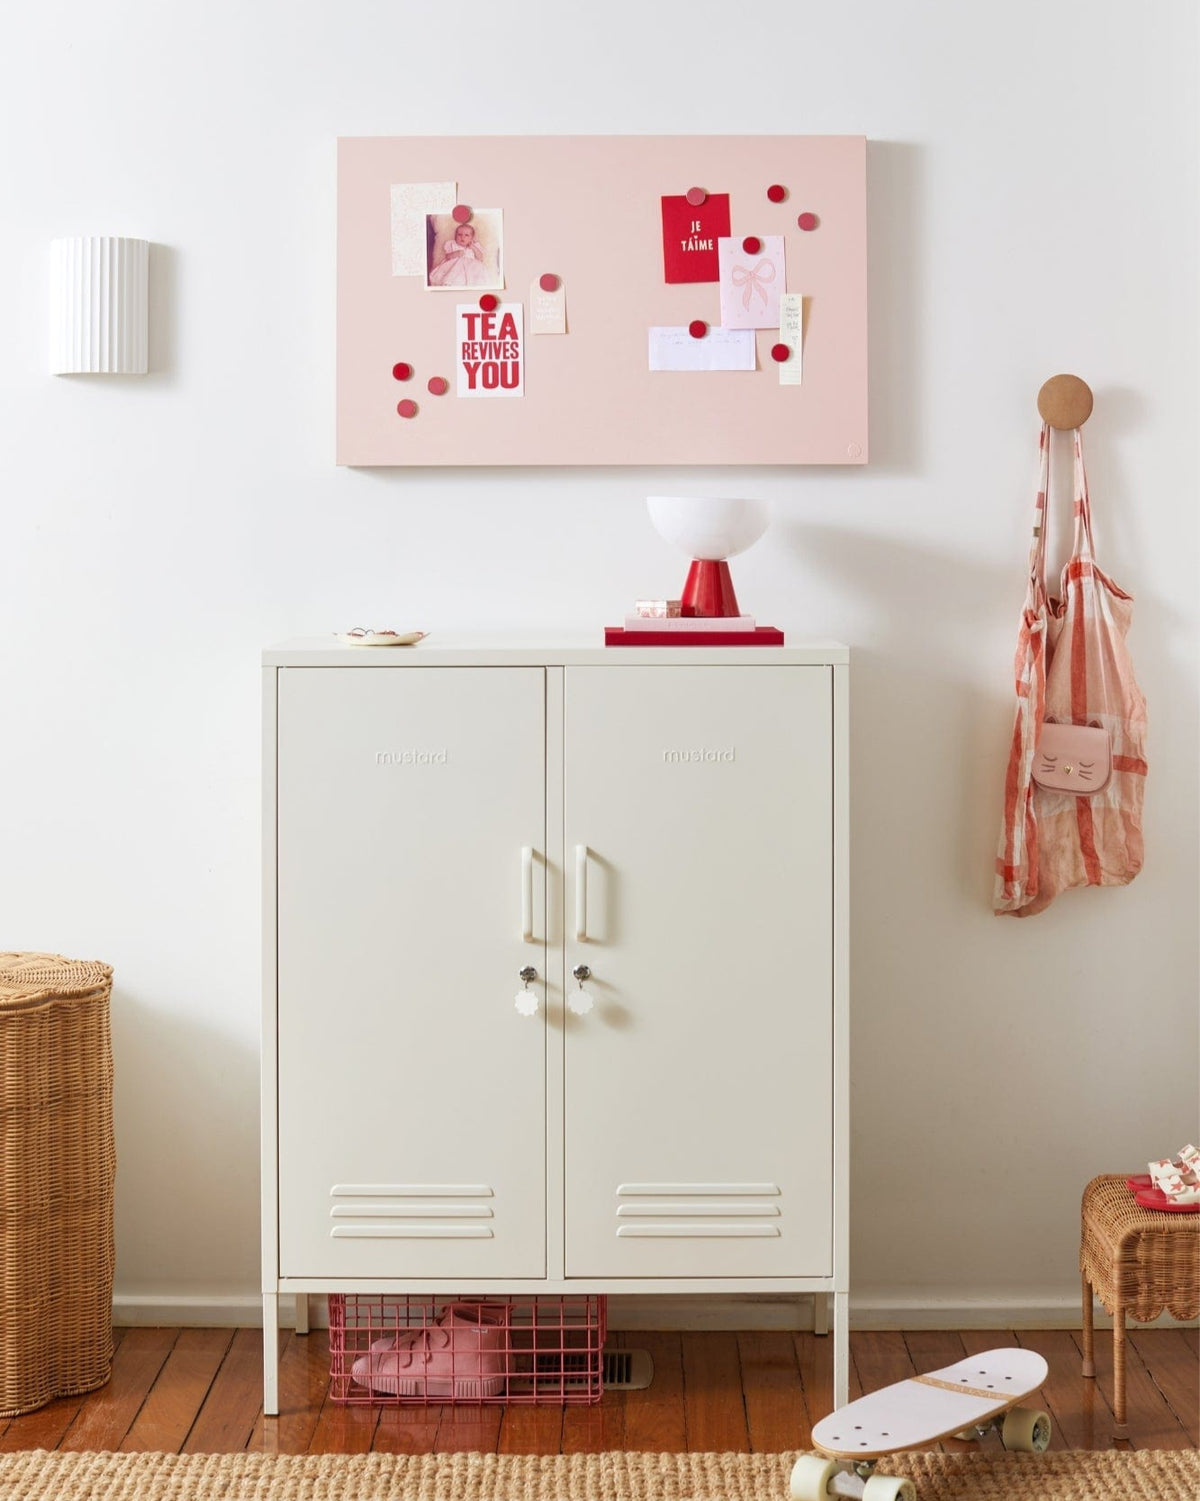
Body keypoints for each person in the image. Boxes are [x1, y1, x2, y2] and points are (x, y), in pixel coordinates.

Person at [428, 221, 492, 288]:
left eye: (466, 235)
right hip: (455, 266)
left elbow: (480, 258)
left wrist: (473, 247)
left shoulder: (475, 246)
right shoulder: (452, 244)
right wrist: (455, 254)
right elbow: (447, 256)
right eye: (459, 234)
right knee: (453, 277)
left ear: (471, 238)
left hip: (472, 267)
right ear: (455, 236)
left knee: (474, 279)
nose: (462, 237)